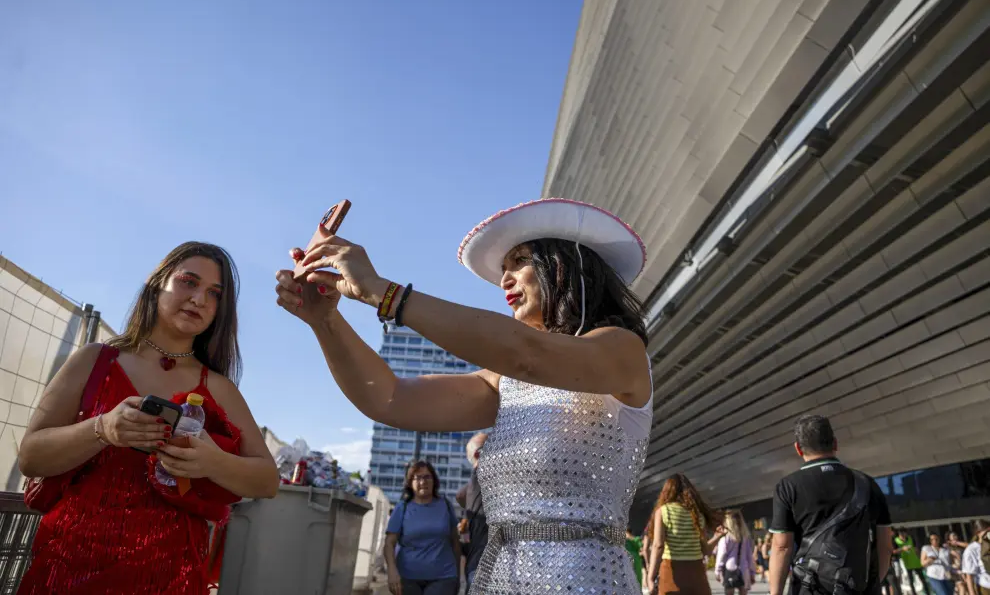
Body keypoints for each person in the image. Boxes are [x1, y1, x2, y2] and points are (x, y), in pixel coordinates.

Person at [275, 198, 653, 594]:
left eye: (520, 261)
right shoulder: (504, 380)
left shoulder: (622, 351)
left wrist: (381, 293)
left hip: (587, 582)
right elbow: (390, 399)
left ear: (567, 264)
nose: (505, 279)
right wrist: (325, 321)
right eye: (503, 269)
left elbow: (526, 354)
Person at [17, 242, 279, 594]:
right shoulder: (95, 360)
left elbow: (267, 481)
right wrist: (103, 429)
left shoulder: (218, 387)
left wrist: (211, 461)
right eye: (188, 282)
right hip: (66, 568)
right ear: (157, 284)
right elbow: (30, 457)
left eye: (214, 294)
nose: (199, 299)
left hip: (170, 577)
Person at [768, 415, 893, 595]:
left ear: (798, 449)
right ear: (835, 443)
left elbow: (782, 547)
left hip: (809, 587)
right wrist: (869, 585)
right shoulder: (867, 484)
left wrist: (775, 593)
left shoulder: (788, 487)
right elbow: (885, 546)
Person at [384, 460, 461, 595]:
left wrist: (458, 577)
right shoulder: (402, 507)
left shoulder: (445, 505)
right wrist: (391, 571)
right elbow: (389, 543)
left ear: (434, 480)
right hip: (407, 578)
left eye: (427, 477)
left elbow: (455, 542)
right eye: (417, 478)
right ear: (410, 482)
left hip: (444, 577)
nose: (423, 481)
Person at [644, 473, 725, 595]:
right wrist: (717, 537)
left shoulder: (664, 511)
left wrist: (650, 577)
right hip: (697, 574)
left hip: (672, 572)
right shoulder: (698, 514)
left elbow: (658, 546)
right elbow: (706, 551)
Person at [455, 432, 489, 592]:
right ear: (478, 454)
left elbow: (459, 496)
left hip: (477, 562)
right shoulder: (482, 476)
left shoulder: (471, 487)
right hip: (483, 563)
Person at [716, 510, 756, 595]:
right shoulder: (745, 537)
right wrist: (752, 572)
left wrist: (718, 571)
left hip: (730, 568)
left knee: (729, 592)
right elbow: (749, 556)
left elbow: (722, 555)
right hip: (744, 569)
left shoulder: (725, 538)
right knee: (743, 592)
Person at [896, 529, 930, 595]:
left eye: (904, 534)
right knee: (911, 581)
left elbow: (916, 549)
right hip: (907, 563)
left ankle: (928, 593)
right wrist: (902, 549)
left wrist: (920, 559)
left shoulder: (910, 538)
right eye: (901, 534)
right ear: (899, 535)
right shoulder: (896, 541)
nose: (903, 536)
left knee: (923, 580)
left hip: (915, 562)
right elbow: (894, 551)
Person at [961, 520, 989, 595]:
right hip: (985, 587)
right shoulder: (971, 550)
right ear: (978, 533)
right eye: (987, 531)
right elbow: (969, 576)